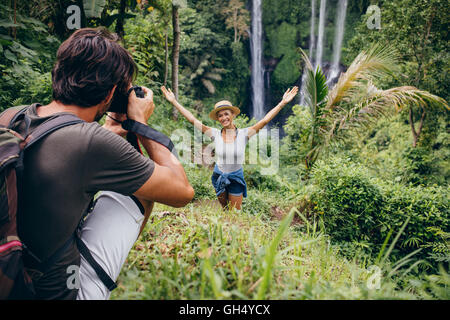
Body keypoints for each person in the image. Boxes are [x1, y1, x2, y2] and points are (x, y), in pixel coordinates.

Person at [8, 28, 194, 300]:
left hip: (9, 277)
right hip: (58, 294)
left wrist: (111, 126)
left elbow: (70, 147)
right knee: (137, 190)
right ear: (110, 94)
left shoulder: (11, 118)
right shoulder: (90, 143)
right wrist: (139, 124)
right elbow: (182, 192)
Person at [161, 86, 298, 211]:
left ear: (233, 115)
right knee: (225, 210)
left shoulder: (245, 134)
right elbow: (192, 120)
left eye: (226, 114)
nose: (223, 118)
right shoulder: (214, 134)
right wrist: (174, 102)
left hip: (236, 177)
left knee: (235, 212)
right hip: (219, 175)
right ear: (218, 119)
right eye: (220, 116)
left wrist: (283, 103)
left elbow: (264, 121)